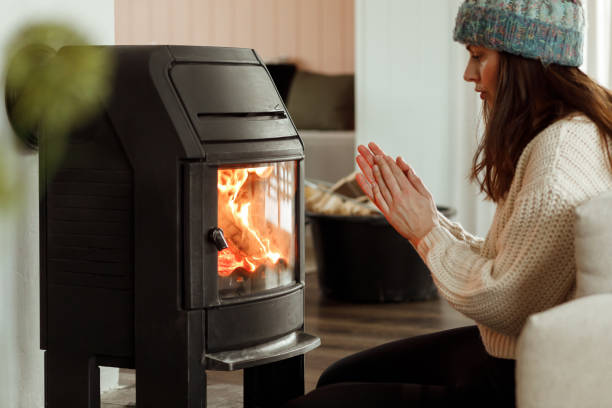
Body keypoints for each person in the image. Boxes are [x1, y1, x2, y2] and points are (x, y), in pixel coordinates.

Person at [284, 0, 612, 407]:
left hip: (512, 378)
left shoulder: (556, 160)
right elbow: (513, 266)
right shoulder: (573, 130)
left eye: (478, 56)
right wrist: (432, 222)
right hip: (509, 352)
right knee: (338, 374)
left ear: (526, 61)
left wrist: (425, 233)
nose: (468, 73)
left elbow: (506, 301)